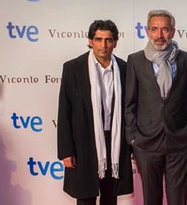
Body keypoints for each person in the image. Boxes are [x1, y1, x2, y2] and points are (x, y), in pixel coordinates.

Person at [57, 20, 133, 205]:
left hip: (115, 141)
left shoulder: (125, 69)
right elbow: (64, 110)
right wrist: (66, 151)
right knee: (85, 195)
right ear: (90, 41)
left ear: (115, 42)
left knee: (110, 196)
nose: (104, 45)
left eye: (108, 40)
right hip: (83, 141)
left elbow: (131, 108)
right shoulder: (73, 68)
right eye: (98, 39)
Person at [124, 10, 187, 205]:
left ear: (172, 32)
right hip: (146, 143)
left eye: (165, 29)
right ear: (147, 31)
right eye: (154, 29)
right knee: (151, 199)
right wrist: (133, 137)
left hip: (179, 142)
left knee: (177, 199)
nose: (159, 35)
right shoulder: (135, 60)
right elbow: (129, 102)